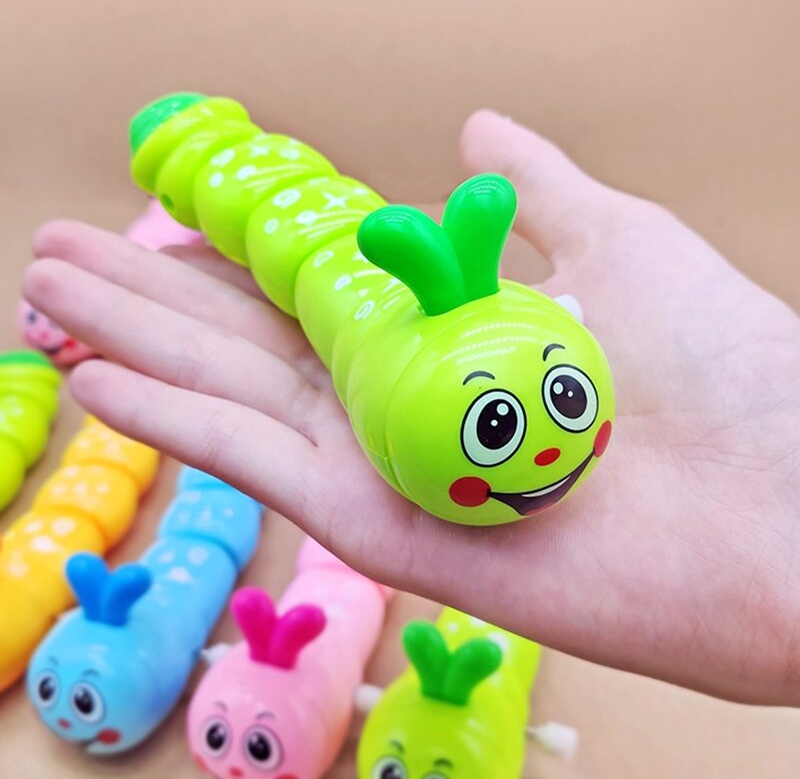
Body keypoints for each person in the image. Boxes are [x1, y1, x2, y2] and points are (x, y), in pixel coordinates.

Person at [23, 110, 800, 707]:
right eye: (497, 429)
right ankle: (189, 142)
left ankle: (189, 145)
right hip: (276, 215)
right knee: (283, 223)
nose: (545, 454)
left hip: (344, 294)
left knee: (294, 230)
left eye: (566, 400)